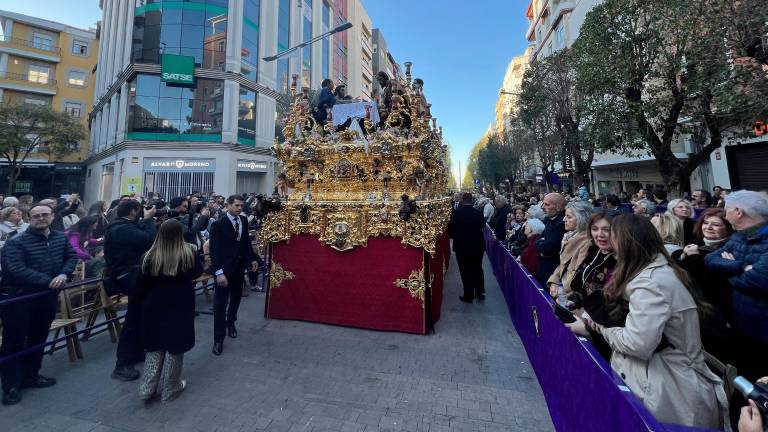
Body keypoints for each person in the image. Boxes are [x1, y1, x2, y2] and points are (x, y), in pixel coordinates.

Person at [569, 215, 727, 429]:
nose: (608, 241)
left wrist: (602, 329)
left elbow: (637, 344)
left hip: (665, 391)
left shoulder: (650, 283)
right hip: (661, 381)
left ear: (625, 242)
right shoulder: (655, 272)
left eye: (612, 235)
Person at [0, 205, 79, 405]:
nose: (41, 218)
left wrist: (63, 274)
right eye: (36, 216)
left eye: (45, 215)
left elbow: (71, 256)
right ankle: (10, 385)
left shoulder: (60, 237)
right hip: (20, 298)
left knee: (39, 337)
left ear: (52, 217)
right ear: (29, 218)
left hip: (46, 296)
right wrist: (48, 280)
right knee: (13, 341)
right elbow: (16, 269)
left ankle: (31, 375)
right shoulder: (16, 242)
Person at [133, 219, 203, 402]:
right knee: (175, 347)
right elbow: (197, 273)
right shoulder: (189, 253)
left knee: (154, 346)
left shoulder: (149, 256)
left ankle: (147, 388)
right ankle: (170, 388)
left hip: (154, 304)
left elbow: (140, 284)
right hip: (180, 303)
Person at [704, 190, 768, 379]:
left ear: (738, 212)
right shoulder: (740, 236)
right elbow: (711, 259)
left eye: (727, 210)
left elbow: (759, 279)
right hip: (743, 329)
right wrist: (741, 267)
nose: (725, 214)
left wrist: (729, 269)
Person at [672, 208, 735, 364]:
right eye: (706, 223)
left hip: (716, 316)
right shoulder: (695, 245)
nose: (708, 227)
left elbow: (709, 285)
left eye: (716, 225)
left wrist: (693, 258)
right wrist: (681, 256)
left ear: (728, 228)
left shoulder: (730, 250)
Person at [104, 200, 158, 381]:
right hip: (129, 276)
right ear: (134, 211)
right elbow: (149, 240)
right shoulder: (122, 229)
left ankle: (134, 353)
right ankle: (122, 364)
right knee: (133, 319)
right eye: (140, 210)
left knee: (139, 316)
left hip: (131, 275)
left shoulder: (120, 226)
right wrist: (149, 221)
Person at [209, 195, 264, 355]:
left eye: (241, 206)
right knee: (220, 305)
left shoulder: (243, 221)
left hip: (239, 268)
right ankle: (218, 339)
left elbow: (245, 243)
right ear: (228, 206)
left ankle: (231, 322)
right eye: (237, 206)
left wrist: (251, 259)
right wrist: (219, 272)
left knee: (236, 298)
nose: (240, 208)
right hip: (223, 270)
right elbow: (214, 250)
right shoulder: (219, 225)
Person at [547, 201, 593, 298]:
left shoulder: (586, 242)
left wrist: (560, 289)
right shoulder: (569, 236)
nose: (564, 219)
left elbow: (576, 273)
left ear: (581, 219)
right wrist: (554, 280)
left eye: (569, 217)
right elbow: (563, 264)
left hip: (571, 295)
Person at [448, 192, 486, 303]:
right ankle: (479, 292)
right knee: (478, 268)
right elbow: (482, 225)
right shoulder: (478, 213)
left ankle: (468, 295)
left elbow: (451, 230)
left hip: (462, 246)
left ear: (462, 201)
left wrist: (457, 236)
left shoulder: (456, 213)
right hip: (477, 246)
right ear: (472, 201)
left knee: (465, 271)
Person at [535, 193, 567, 287]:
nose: (543, 207)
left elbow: (548, 248)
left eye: (547, 204)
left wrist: (541, 243)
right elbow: (539, 240)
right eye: (543, 204)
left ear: (558, 206)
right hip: (546, 268)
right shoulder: (549, 219)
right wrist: (541, 242)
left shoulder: (562, 223)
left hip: (553, 271)